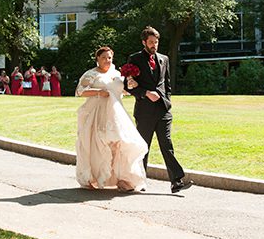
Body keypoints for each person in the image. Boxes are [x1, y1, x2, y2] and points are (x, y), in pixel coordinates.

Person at [125, 26, 192, 194]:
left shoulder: (164, 59)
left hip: (163, 110)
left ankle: (176, 182)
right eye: (151, 42)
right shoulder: (135, 59)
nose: (154, 45)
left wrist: (167, 100)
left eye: (156, 42)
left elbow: (167, 84)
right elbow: (129, 86)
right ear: (144, 42)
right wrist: (146, 93)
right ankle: (138, 180)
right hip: (145, 111)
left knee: (167, 146)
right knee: (143, 147)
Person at [75, 46, 147, 192]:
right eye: (104, 58)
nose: (107, 60)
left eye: (109, 57)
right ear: (97, 59)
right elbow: (79, 91)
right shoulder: (91, 74)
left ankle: (122, 178)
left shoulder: (117, 73)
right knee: (97, 145)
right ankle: (93, 177)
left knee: (121, 144)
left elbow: (124, 90)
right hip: (98, 114)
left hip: (116, 115)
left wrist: (132, 84)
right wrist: (98, 92)